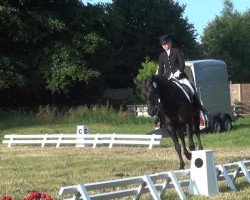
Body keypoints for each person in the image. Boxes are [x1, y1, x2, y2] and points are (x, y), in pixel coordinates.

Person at [155, 35, 206, 128]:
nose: (165, 46)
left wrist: (177, 73)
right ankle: (159, 115)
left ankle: (199, 106)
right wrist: (159, 80)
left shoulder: (176, 51)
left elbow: (182, 64)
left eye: (166, 44)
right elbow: (161, 70)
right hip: (168, 79)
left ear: (169, 43)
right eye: (163, 45)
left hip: (180, 76)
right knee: (159, 95)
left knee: (191, 88)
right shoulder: (161, 56)